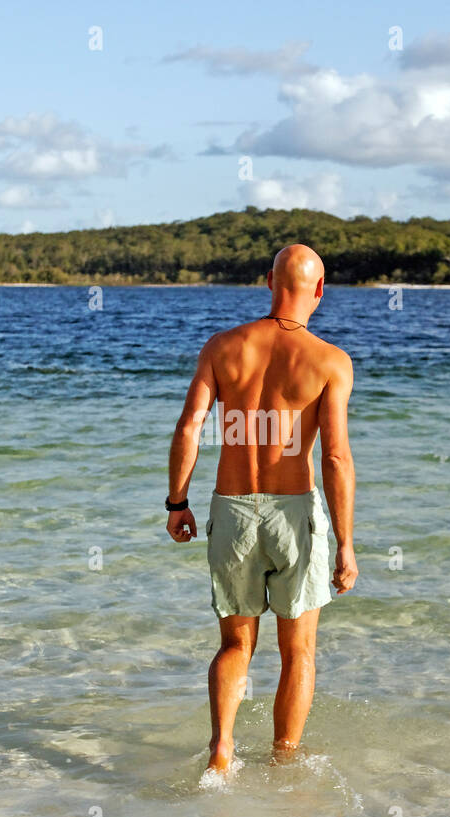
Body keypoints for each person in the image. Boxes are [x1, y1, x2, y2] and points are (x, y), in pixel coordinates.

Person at [165, 243, 357, 776]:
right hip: (295, 512)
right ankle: (284, 764)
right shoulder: (329, 361)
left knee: (235, 644)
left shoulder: (222, 347)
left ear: (267, 280)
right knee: (299, 651)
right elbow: (337, 457)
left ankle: (221, 751)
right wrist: (345, 543)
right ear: (320, 290)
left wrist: (177, 501)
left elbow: (190, 428)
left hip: (231, 509)